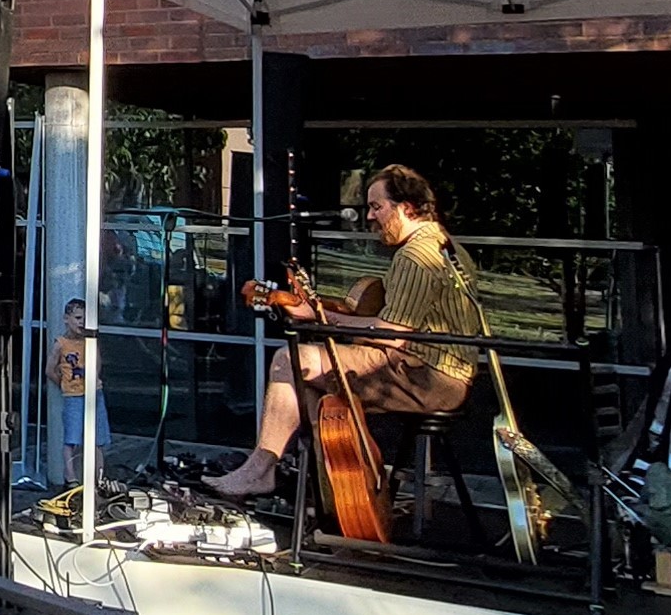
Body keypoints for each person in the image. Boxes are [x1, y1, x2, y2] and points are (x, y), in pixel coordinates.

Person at [205, 167, 483, 501]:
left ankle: (264, 472)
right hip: (444, 374)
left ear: (407, 208)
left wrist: (319, 316)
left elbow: (393, 334)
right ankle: (339, 494)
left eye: (377, 207)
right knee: (308, 382)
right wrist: (328, 313)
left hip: (427, 377)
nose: (371, 217)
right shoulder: (447, 245)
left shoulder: (415, 256)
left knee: (289, 359)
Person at [51, 298, 111, 485]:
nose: (82, 322)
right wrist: (64, 384)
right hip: (73, 395)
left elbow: (97, 365)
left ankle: (99, 477)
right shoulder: (61, 344)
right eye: (78, 318)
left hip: (94, 392)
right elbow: (49, 369)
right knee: (72, 437)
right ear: (66, 318)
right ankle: (71, 476)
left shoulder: (89, 341)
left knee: (98, 437)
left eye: (84, 319)